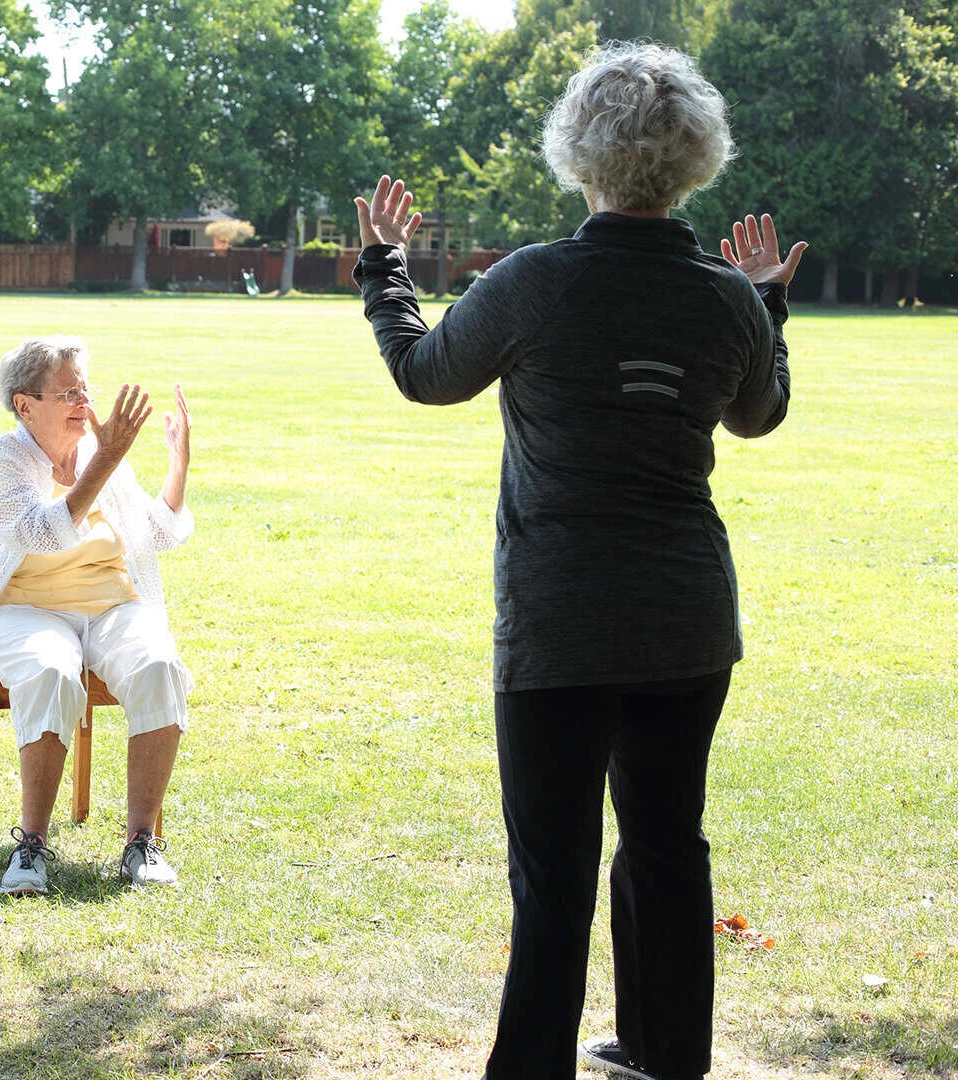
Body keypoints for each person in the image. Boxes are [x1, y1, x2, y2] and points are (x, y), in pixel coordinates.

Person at [351, 44, 803, 1080]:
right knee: (666, 844)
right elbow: (759, 415)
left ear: (578, 153)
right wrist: (765, 302)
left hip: (562, 620)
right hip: (687, 620)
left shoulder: (534, 282)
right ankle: (662, 1053)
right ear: (695, 157)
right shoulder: (724, 296)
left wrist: (383, 272)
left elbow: (424, 375)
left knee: (553, 873)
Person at [0, 337, 194, 895]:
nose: (82, 401)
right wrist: (106, 458)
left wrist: (178, 464)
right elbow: (39, 533)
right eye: (67, 391)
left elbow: (161, 533)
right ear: (25, 404)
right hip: (22, 610)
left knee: (158, 664)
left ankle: (141, 844)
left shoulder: (101, 455)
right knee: (51, 670)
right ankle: (30, 848)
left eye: (84, 389)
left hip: (110, 605)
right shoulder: (3, 459)